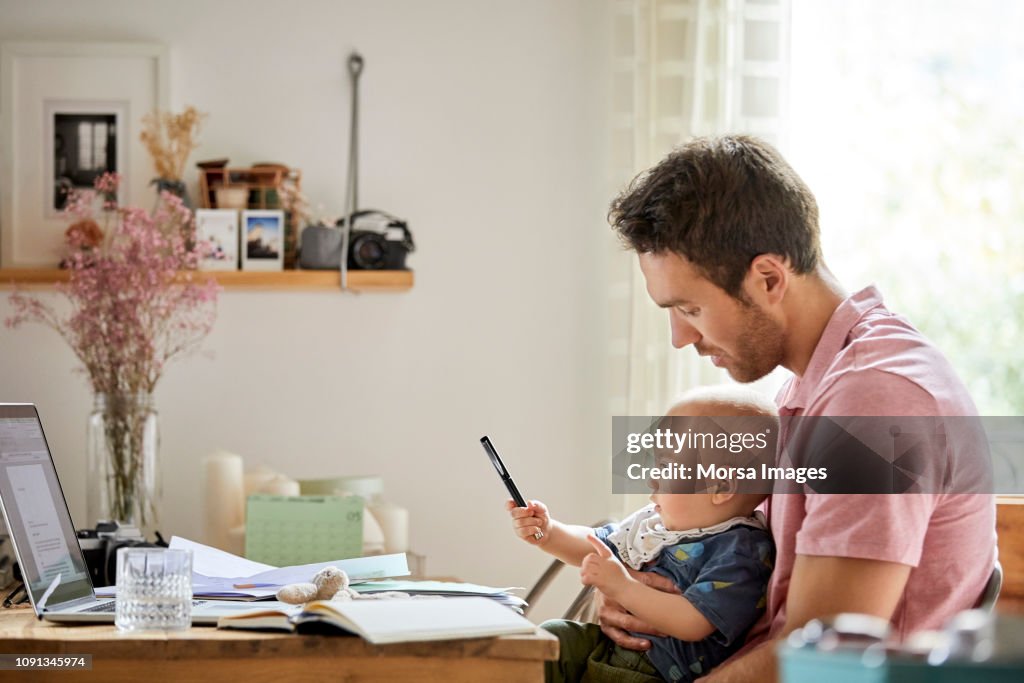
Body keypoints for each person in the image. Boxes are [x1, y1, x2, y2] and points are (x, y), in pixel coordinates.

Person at [601, 134, 996, 682]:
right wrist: (644, 595)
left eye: (690, 307)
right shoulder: (813, 388)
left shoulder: (872, 402)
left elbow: (819, 666)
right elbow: (744, 568)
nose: (679, 337)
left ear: (768, 278)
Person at [509, 387, 778, 683]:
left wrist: (623, 587)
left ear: (720, 487)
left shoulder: (742, 550)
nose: (652, 478)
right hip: (610, 648)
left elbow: (694, 622)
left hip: (657, 672)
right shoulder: (656, 521)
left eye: (665, 466)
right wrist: (548, 532)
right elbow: (596, 545)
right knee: (552, 638)